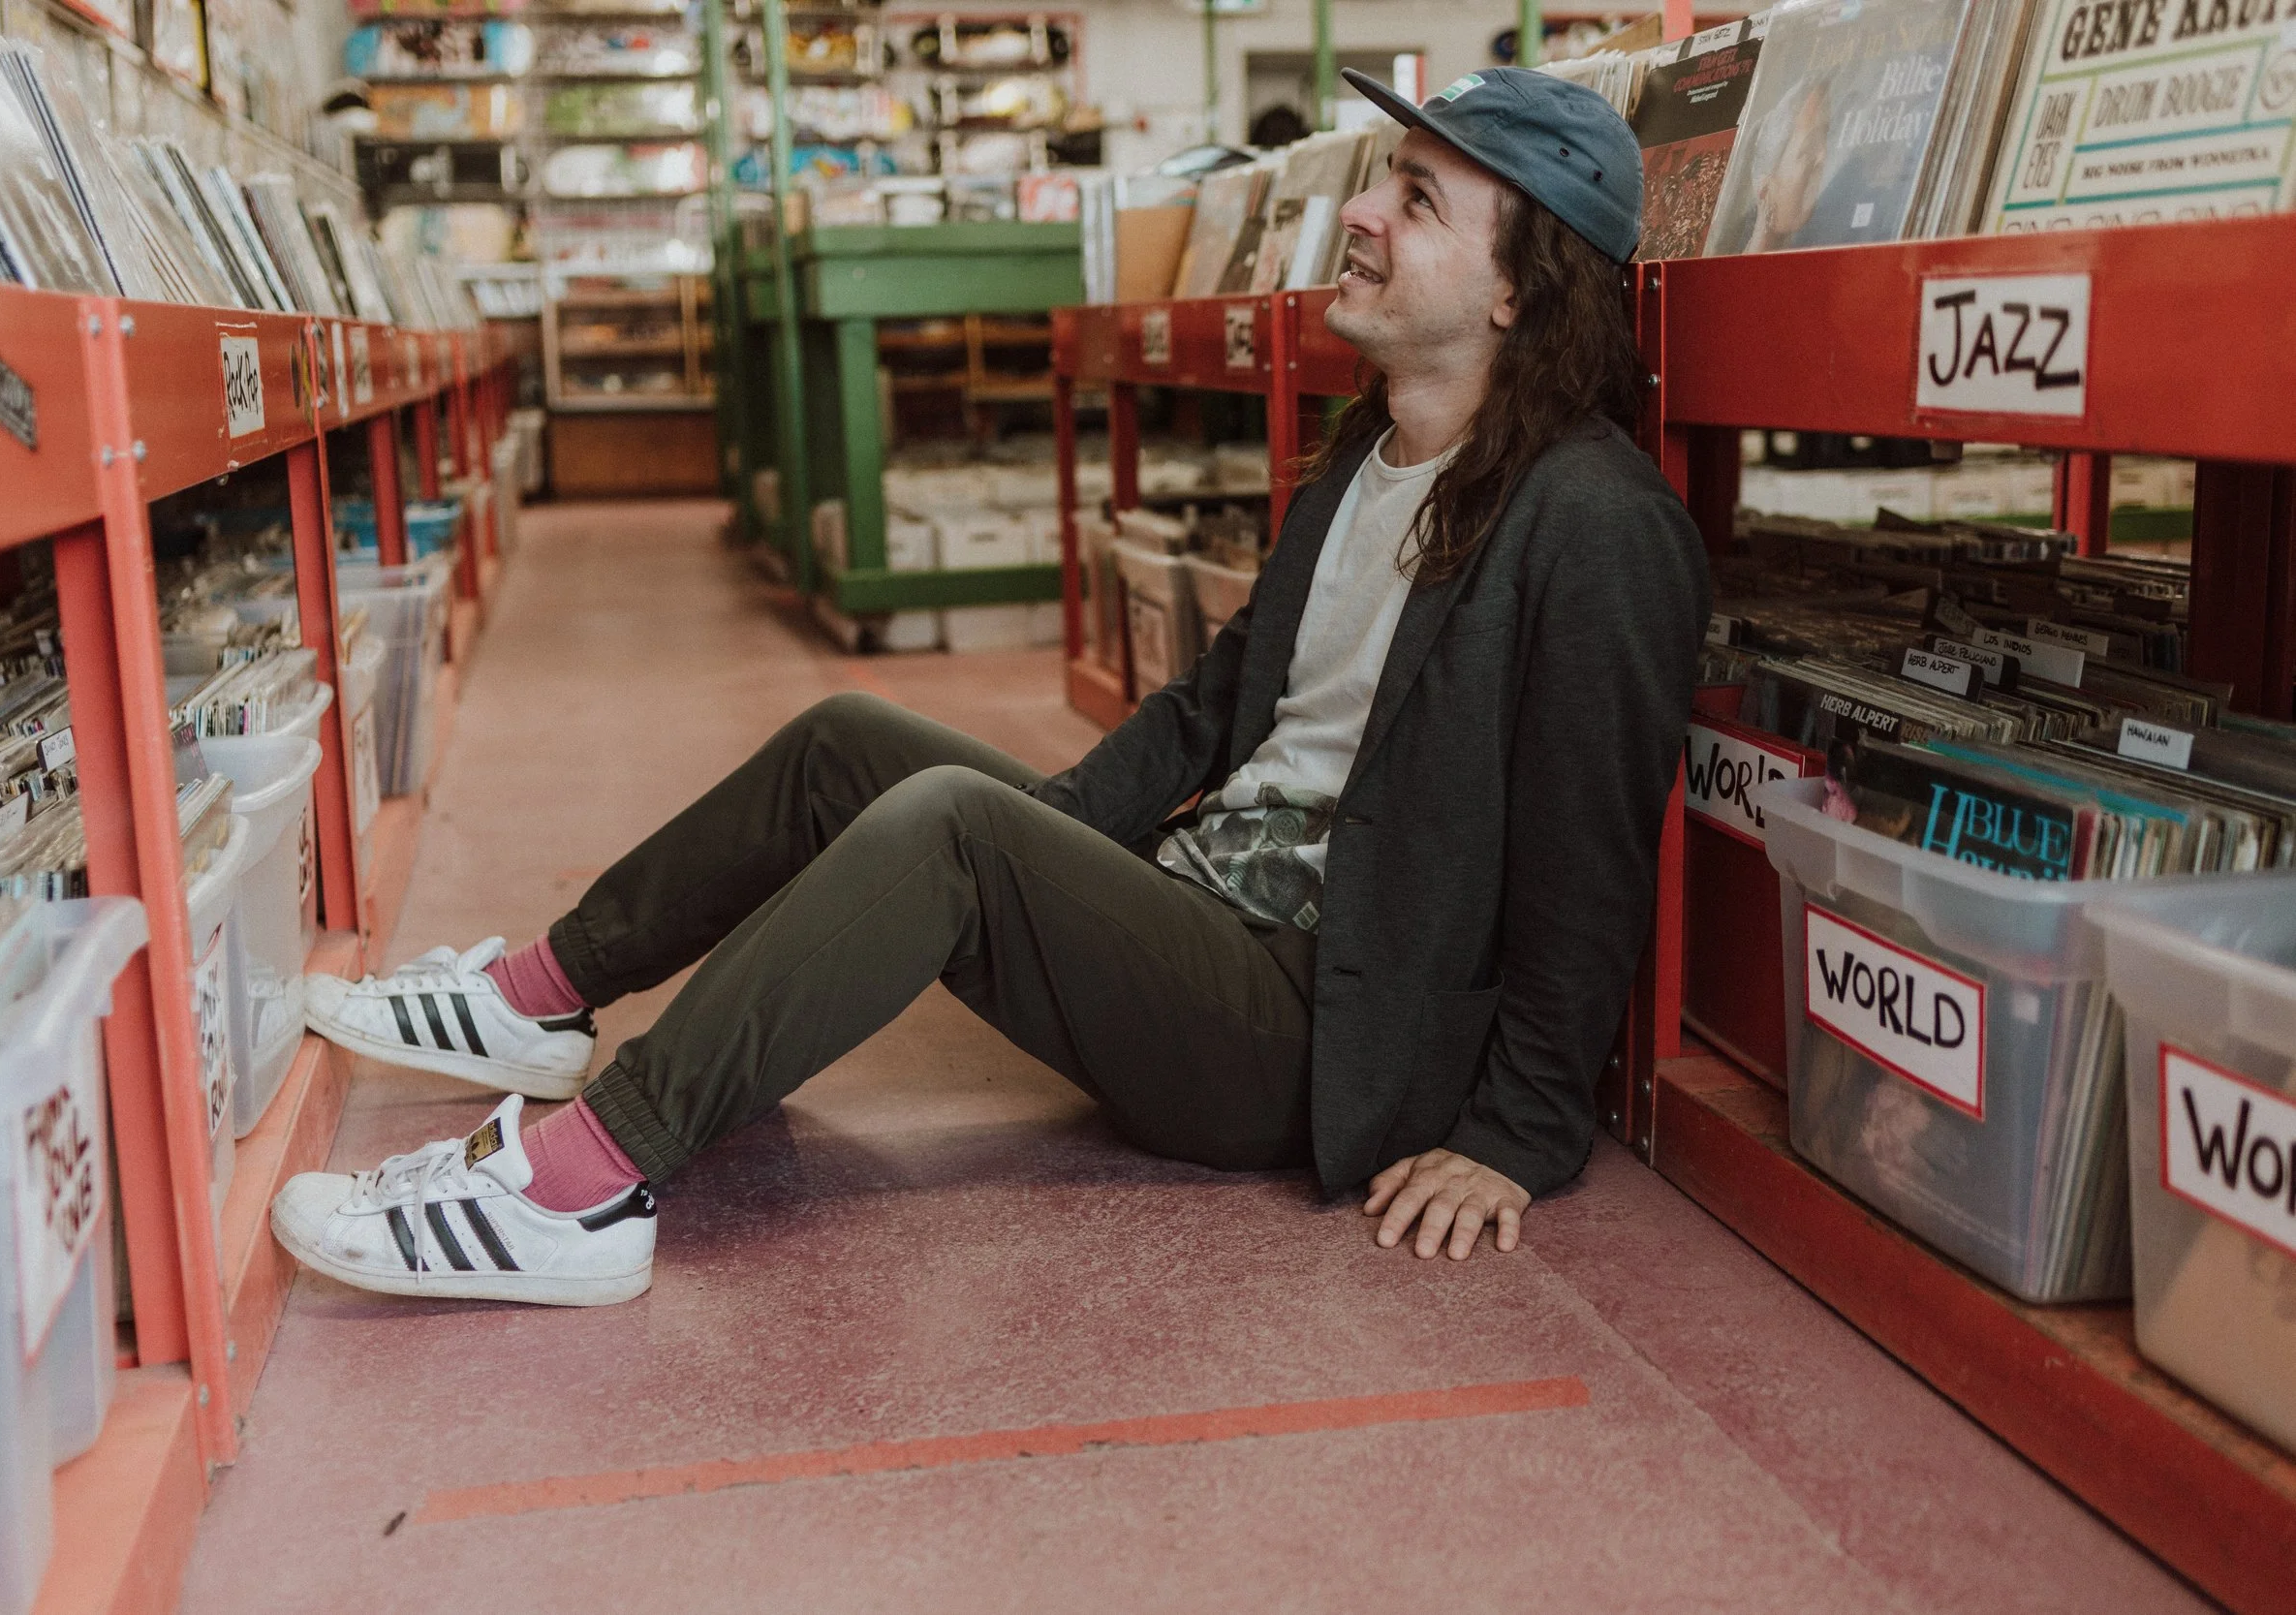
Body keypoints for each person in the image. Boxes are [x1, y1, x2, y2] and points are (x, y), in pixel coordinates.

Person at [272, 66, 1710, 1308]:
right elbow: (1215, 712)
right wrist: (1055, 849)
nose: (1361, 213)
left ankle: (578, 1189)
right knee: (853, 744)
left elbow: (1589, 862)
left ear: (1519, 289)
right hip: (1204, 914)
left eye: (1419, 200)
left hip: (1314, 1027)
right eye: (1384, 180)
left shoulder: (1598, 526)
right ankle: (544, 997)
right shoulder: (1367, 459)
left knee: (949, 827)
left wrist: (1516, 1136)